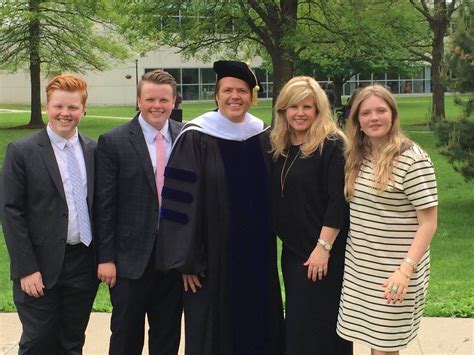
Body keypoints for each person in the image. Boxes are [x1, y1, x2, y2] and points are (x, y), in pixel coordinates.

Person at [156, 60, 284, 355]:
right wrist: (187, 262)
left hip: (257, 256)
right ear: (217, 95)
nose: (234, 96)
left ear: (252, 97)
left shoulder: (263, 136)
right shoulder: (196, 136)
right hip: (210, 261)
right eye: (227, 90)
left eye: (241, 90)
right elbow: (178, 204)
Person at [336, 85, 438, 354]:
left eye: (381, 110)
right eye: (366, 112)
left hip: (397, 270)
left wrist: (406, 270)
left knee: (384, 346)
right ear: (357, 120)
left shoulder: (412, 159)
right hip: (362, 269)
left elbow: (429, 222)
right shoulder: (357, 156)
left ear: (392, 114)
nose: (374, 118)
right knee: (372, 342)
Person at [1, 74, 99, 354]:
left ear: (83, 109)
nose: (65, 114)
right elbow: (11, 212)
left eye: (72, 107)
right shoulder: (22, 151)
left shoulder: (94, 150)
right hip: (39, 266)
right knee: (38, 341)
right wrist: (26, 268)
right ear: (47, 106)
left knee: (72, 342)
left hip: (82, 263)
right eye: (58, 106)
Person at [94, 69, 184, 355]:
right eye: (150, 99)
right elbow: (104, 205)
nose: (157, 106)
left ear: (174, 102)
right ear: (138, 100)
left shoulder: (188, 138)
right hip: (128, 260)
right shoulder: (114, 141)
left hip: (173, 258)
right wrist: (106, 258)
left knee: (167, 334)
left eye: (163, 100)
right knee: (125, 335)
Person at [270, 76, 353, 355]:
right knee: (298, 324)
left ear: (318, 110)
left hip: (323, 253)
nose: (300, 113)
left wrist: (323, 247)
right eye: (293, 107)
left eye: (307, 107)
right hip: (294, 252)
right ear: (283, 110)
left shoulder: (331, 144)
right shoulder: (279, 145)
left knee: (320, 328)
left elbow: (338, 201)